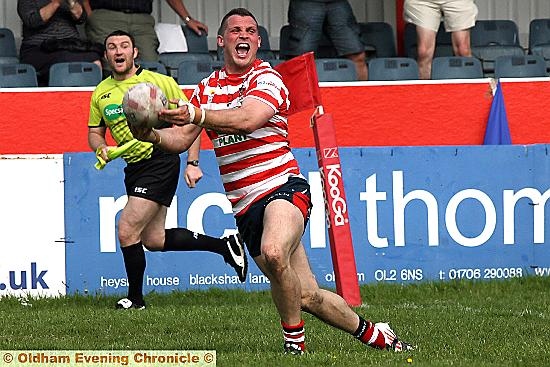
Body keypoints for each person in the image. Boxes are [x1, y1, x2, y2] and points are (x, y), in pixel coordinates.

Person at [130, 8, 412, 354]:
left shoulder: (267, 77)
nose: (243, 35)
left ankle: (294, 346)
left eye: (250, 30)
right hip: (246, 207)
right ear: (221, 41)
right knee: (306, 295)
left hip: (282, 187)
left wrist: (196, 114)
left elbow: (249, 119)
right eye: (235, 31)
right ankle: (374, 333)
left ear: (259, 42)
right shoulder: (206, 89)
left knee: (274, 251)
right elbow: (181, 140)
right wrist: (152, 136)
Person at [87, 29, 247, 310]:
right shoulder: (101, 92)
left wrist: (193, 163)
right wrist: (99, 146)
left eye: (124, 45)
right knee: (154, 239)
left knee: (126, 230)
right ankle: (225, 246)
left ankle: (135, 300)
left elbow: (192, 121)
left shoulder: (159, 83)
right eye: (112, 47)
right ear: (106, 55)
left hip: (160, 159)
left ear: (135, 52)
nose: (118, 51)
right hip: (133, 167)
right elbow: (95, 132)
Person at [81, 0, 208, 62]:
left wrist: (187, 19)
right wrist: (90, 14)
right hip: (106, 16)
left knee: (150, 64)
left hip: (142, 19)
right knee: (112, 64)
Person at [17, 0, 103, 86]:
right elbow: (32, 21)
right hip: (38, 48)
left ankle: (95, 96)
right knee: (65, 59)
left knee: (94, 58)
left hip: (70, 45)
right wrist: (56, 2)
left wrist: (71, 2)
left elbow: (81, 18)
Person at [286, 0, 368, 81]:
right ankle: (298, 93)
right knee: (300, 60)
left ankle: (363, 93)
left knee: (357, 56)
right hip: (307, 3)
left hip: (337, 3)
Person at [404, 0, 478, 79]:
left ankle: (469, 89)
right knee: (424, 52)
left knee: (463, 50)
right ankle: (424, 89)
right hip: (424, 2)